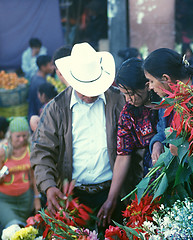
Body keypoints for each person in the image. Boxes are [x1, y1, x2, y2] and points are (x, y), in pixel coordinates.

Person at [30, 42, 126, 229]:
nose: (89, 95)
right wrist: (49, 186)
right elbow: (42, 151)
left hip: (113, 191)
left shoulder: (118, 100)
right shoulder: (55, 108)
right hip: (73, 196)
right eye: (84, 89)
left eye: (93, 88)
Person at [97, 58, 159, 226]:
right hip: (146, 184)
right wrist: (112, 198)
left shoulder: (164, 101)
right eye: (124, 93)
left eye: (131, 93)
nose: (127, 99)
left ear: (147, 86)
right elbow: (123, 155)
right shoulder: (128, 114)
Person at [142, 48, 193, 163]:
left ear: (166, 78)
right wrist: (157, 143)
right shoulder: (168, 99)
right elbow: (163, 130)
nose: (150, 87)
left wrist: (184, 152)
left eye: (151, 81)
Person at [0, 117, 41, 231]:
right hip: (5, 201)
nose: (22, 139)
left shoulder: (30, 149)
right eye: (18, 136)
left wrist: (36, 198)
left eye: (25, 136)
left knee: (25, 230)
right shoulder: (3, 151)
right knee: (13, 228)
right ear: (11, 135)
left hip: (25, 200)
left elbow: (34, 176)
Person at [27, 55, 54, 121]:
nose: (53, 67)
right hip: (37, 117)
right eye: (50, 65)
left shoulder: (35, 77)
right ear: (43, 67)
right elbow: (39, 104)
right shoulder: (41, 83)